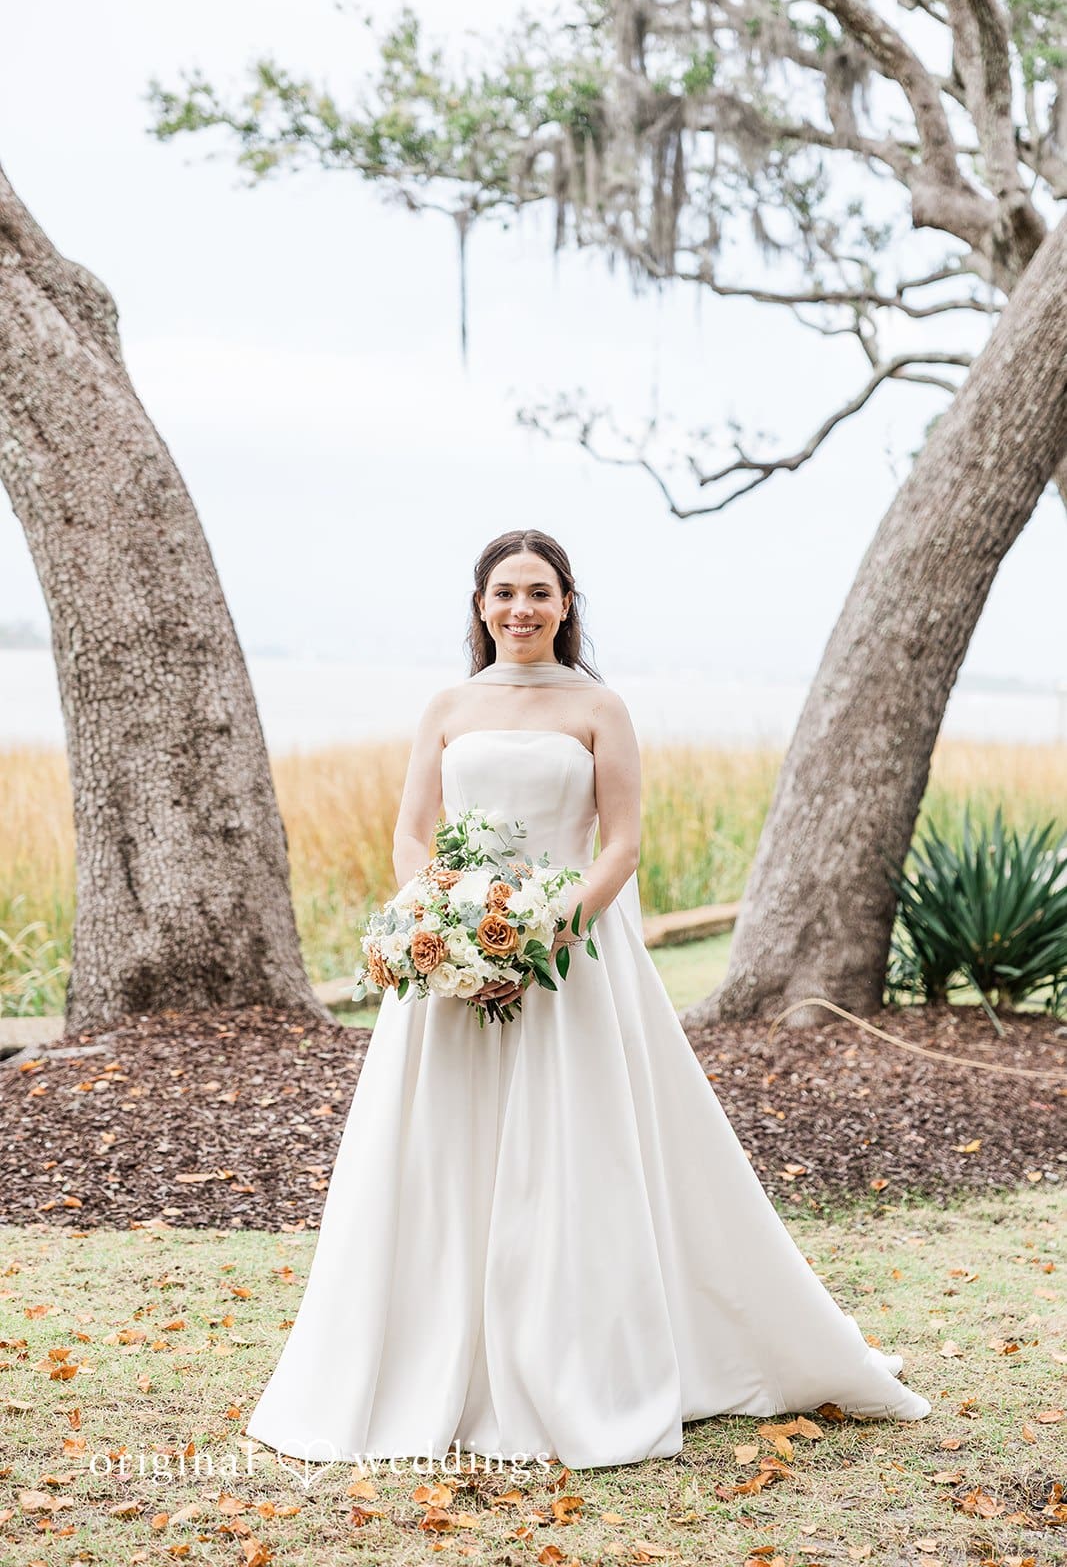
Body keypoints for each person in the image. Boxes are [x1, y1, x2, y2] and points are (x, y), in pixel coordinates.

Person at [245, 526, 930, 1473]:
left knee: (576, 1148)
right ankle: (428, 1361)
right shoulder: (445, 705)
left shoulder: (598, 706)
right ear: (479, 606)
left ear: (566, 604)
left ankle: (579, 1362)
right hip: (453, 961)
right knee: (441, 1152)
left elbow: (619, 845)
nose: (519, 609)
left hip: (572, 959)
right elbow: (412, 833)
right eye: (502, 593)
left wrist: (548, 930)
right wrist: (445, 916)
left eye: (538, 592)